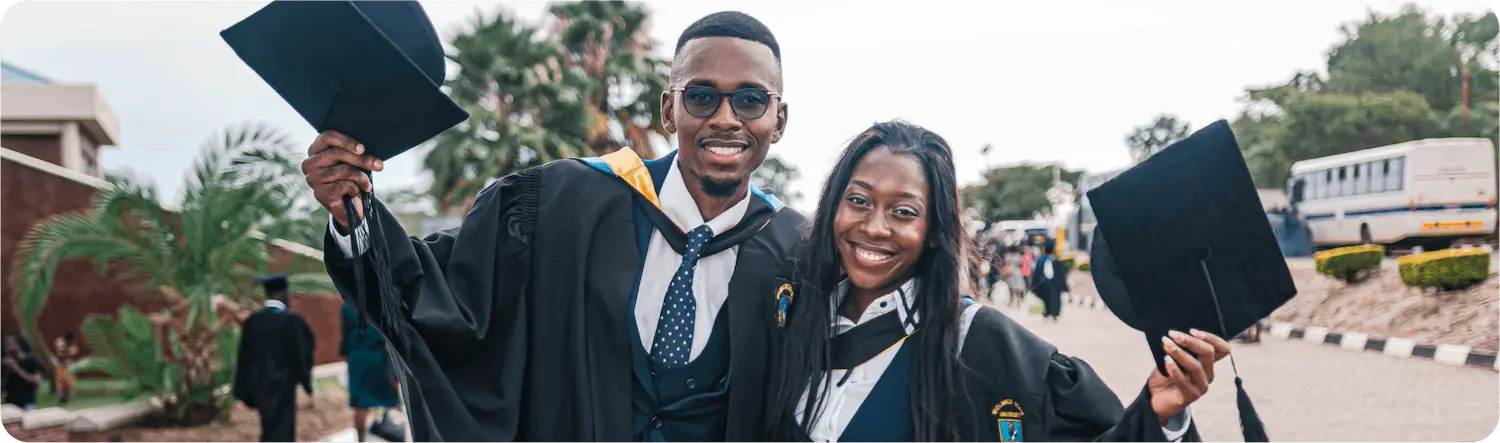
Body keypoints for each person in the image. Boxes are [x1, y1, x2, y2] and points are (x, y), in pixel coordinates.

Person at [309, 11, 801, 442]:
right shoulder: (563, 203)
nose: (725, 118)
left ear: (777, 121)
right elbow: (438, 298)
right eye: (701, 96)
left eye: (751, 100)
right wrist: (353, 210)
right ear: (669, 111)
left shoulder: (799, 254)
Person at [767, 121, 1224, 443]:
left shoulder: (983, 346)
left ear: (932, 233)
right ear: (833, 208)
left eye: (904, 211)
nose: (875, 226)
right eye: (859, 200)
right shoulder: (793, 318)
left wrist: (1160, 414)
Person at [233, 273, 316, 443]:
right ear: (284, 294)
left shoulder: (253, 321)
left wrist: (242, 389)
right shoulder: (292, 320)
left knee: (269, 426)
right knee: (283, 429)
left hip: (260, 383)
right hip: (284, 383)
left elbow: (244, 356)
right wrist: (306, 383)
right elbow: (302, 352)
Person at [340, 304, 400, 443]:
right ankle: (395, 436)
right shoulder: (380, 300)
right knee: (390, 400)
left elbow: (345, 332)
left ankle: (360, 440)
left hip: (357, 357)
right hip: (379, 356)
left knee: (360, 404)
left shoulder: (347, 305)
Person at [2, 334, 43, 411]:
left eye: (9, 344)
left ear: (18, 345)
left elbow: (36, 382)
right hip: (10, 405)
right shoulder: (5, 365)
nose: (6, 348)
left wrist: (17, 369)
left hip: (27, 404)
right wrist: (6, 372)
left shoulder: (31, 361)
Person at [1030, 240, 1068, 321]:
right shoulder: (1051, 260)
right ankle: (1050, 312)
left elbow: (1037, 273)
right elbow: (1062, 273)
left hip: (1048, 283)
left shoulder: (1044, 260)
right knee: (1052, 298)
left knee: (1053, 298)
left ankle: (1053, 313)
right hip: (1050, 283)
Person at [52, 331, 80, 405]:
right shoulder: (61, 344)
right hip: (61, 365)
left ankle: (66, 398)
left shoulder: (67, 344)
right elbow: (60, 353)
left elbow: (74, 350)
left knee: (69, 382)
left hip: (65, 365)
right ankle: (63, 398)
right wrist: (68, 352)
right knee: (64, 382)